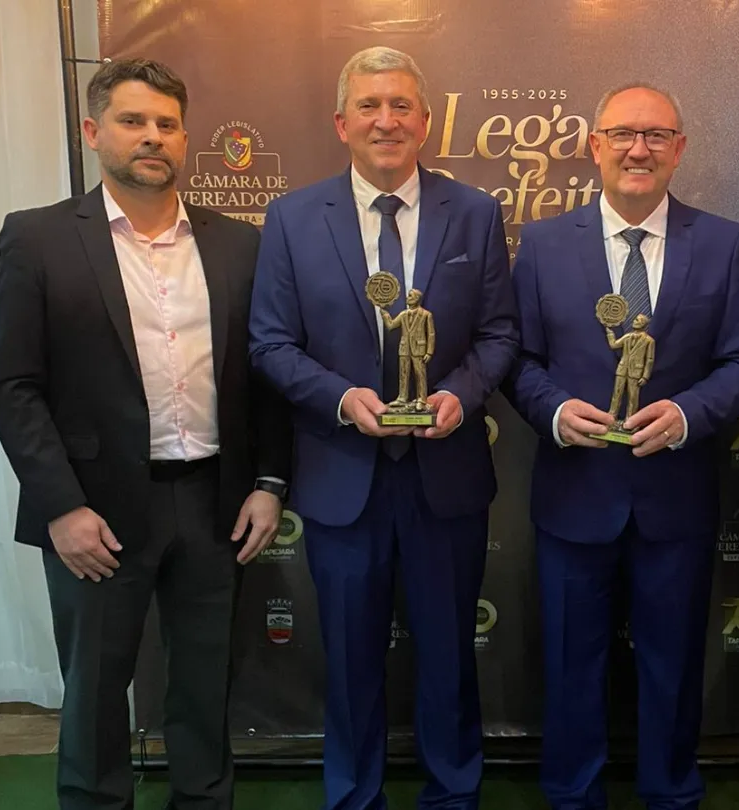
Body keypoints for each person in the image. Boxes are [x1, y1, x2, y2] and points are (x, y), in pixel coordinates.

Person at [0, 58, 292, 809]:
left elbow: (267, 374)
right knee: (94, 691)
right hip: (95, 510)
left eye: (166, 124)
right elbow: (12, 385)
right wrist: (61, 507)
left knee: (206, 684)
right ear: (93, 132)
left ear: (184, 139)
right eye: (132, 121)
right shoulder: (37, 239)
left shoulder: (239, 244)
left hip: (216, 503)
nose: (152, 136)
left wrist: (270, 482)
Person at [248, 46, 518, 810]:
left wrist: (460, 393)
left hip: (446, 476)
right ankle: (353, 799)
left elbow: (500, 333)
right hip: (343, 478)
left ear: (426, 122)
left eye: (401, 105)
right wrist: (342, 399)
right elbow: (270, 343)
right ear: (342, 123)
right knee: (350, 662)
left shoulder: (475, 213)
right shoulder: (292, 218)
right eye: (369, 105)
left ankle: (453, 796)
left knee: (449, 659)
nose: (386, 120)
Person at [507, 82, 739, 810]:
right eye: (622, 134)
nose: (637, 149)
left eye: (655, 135)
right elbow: (516, 359)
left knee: (672, 668)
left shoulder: (724, 243)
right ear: (595, 146)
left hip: (675, 501)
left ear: (679, 150)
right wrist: (555, 411)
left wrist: (686, 413)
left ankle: (671, 795)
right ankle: (572, 797)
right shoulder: (542, 245)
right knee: (570, 666)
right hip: (573, 496)